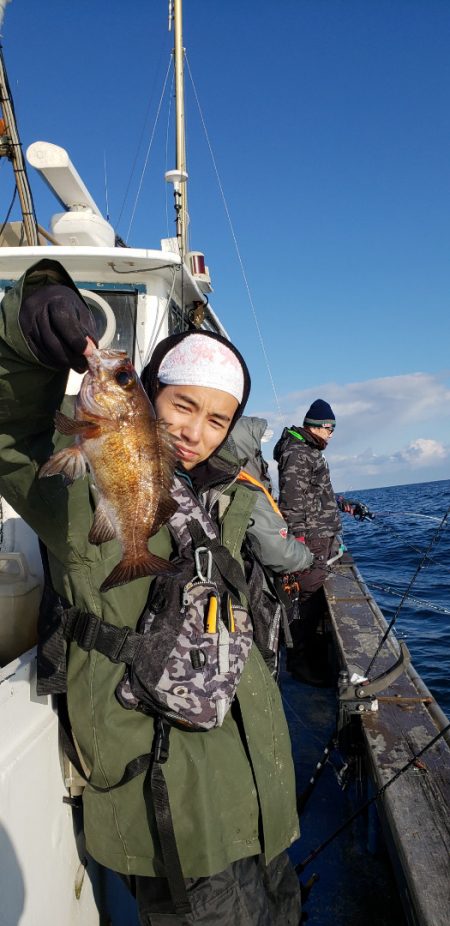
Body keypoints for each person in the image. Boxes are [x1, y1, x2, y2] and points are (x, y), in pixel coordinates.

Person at [0, 259, 301, 926]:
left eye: (219, 419)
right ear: (147, 398)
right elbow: (12, 438)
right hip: (183, 823)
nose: (197, 431)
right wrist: (25, 331)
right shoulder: (86, 500)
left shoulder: (216, 499)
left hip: (261, 807)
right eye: (183, 404)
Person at [273, 399, 368, 685]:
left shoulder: (310, 451)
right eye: (330, 428)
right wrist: (299, 544)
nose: (331, 434)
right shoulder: (298, 453)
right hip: (312, 540)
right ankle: (299, 665)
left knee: (312, 599)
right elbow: (292, 502)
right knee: (307, 600)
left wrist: (344, 503)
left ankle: (309, 658)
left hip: (322, 537)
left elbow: (319, 494)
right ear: (317, 426)